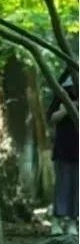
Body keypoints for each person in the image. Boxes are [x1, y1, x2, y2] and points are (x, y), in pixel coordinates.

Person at [47, 72, 78, 233]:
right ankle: (57, 221)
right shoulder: (62, 94)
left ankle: (73, 222)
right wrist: (69, 108)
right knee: (63, 185)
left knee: (76, 187)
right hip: (64, 147)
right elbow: (51, 117)